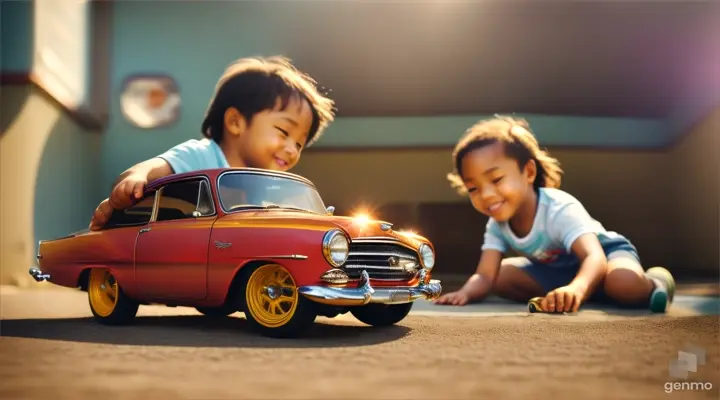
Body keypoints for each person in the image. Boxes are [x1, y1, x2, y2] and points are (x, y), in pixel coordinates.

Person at [433, 115, 675, 313]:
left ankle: (656, 282)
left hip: (605, 256)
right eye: (473, 188)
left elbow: (594, 257)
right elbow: (485, 274)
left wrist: (577, 289)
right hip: (558, 272)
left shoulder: (558, 208)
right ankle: (582, 292)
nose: (485, 195)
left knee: (623, 283)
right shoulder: (497, 223)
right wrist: (464, 293)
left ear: (528, 172)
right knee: (500, 276)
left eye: (496, 179)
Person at [89, 55, 335, 231]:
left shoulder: (269, 188)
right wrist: (136, 178)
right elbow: (152, 168)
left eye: (300, 144)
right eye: (283, 131)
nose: (292, 149)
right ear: (235, 122)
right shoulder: (201, 156)